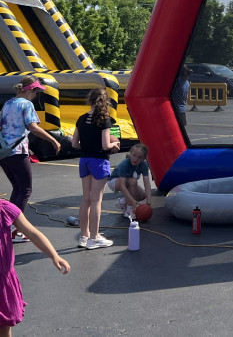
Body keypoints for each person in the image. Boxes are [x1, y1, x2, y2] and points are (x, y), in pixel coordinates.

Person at [0, 76, 61, 243]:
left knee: (18, 189)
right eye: (37, 92)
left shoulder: (8, 103)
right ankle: (12, 227)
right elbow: (33, 127)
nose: (37, 95)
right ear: (31, 90)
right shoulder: (26, 104)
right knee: (25, 189)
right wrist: (53, 140)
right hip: (18, 151)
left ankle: (10, 226)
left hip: (4, 152)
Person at [0, 199, 70, 336]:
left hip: (3, 281)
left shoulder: (5, 209)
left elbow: (33, 234)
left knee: (4, 324)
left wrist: (54, 256)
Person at [73, 88, 121, 250]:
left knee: (86, 198)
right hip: (98, 160)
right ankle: (94, 238)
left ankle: (84, 236)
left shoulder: (81, 119)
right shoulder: (104, 120)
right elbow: (105, 145)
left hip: (84, 160)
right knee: (96, 200)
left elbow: (74, 144)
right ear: (105, 101)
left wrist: (87, 146)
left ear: (90, 100)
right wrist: (115, 144)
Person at [108, 143, 151, 219]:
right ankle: (129, 210)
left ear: (144, 159)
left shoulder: (144, 165)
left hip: (129, 182)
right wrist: (132, 201)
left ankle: (122, 202)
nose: (135, 159)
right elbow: (122, 185)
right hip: (114, 182)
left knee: (142, 195)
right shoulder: (124, 164)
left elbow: (146, 183)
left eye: (139, 157)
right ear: (130, 154)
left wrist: (149, 199)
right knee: (132, 182)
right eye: (134, 155)